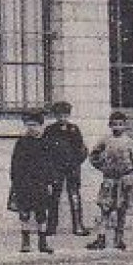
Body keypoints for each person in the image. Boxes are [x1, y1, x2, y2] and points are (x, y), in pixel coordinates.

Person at [85, 111, 133, 251]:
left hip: (125, 180)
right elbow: (93, 155)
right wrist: (102, 166)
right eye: (114, 125)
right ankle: (101, 238)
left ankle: (119, 239)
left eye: (120, 124)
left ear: (125, 126)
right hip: (109, 180)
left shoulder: (130, 142)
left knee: (121, 211)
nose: (117, 127)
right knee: (105, 210)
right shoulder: (105, 140)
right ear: (110, 125)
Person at [8, 110, 55, 253]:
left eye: (34, 125)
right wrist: (15, 183)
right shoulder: (21, 143)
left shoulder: (46, 143)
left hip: (40, 183)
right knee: (24, 213)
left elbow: (50, 165)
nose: (31, 128)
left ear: (41, 125)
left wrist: (50, 182)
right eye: (28, 125)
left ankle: (42, 242)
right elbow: (15, 164)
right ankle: (25, 242)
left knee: (41, 214)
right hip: (23, 184)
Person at [42, 100, 90, 236]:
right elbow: (45, 150)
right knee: (53, 197)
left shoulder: (74, 130)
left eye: (65, 114)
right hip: (55, 168)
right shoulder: (50, 130)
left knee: (74, 195)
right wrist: (49, 167)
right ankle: (51, 227)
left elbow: (82, 149)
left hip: (72, 168)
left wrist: (76, 163)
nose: (62, 118)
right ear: (55, 116)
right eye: (59, 115)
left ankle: (78, 226)